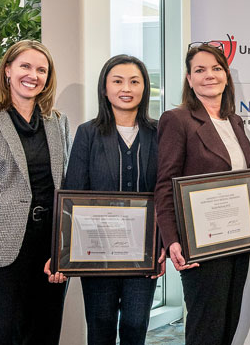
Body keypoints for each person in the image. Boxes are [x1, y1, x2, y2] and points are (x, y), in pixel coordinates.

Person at [43, 55, 165, 345]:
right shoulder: (88, 133)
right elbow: (74, 192)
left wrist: (162, 244)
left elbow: (165, 192)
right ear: (105, 88)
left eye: (135, 81)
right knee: (100, 325)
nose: (127, 88)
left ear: (145, 88)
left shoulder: (159, 132)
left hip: (143, 252)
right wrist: (61, 251)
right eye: (118, 81)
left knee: (136, 324)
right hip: (96, 251)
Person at [0, 39, 70, 344]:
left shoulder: (58, 122)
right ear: (7, 70)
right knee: (2, 336)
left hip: (49, 248)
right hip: (0, 252)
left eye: (42, 70)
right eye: (25, 66)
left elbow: (67, 188)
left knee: (44, 335)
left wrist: (65, 250)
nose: (33, 75)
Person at [154, 43, 250, 345]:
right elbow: (165, 184)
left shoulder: (235, 122)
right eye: (199, 70)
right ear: (189, 79)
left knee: (228, 325)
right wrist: (171, 239)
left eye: (216, 68)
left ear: (226, 75)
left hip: (237, 242)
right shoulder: (177, 120)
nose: (209, 75)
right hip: (201, 246)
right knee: (205, 330)